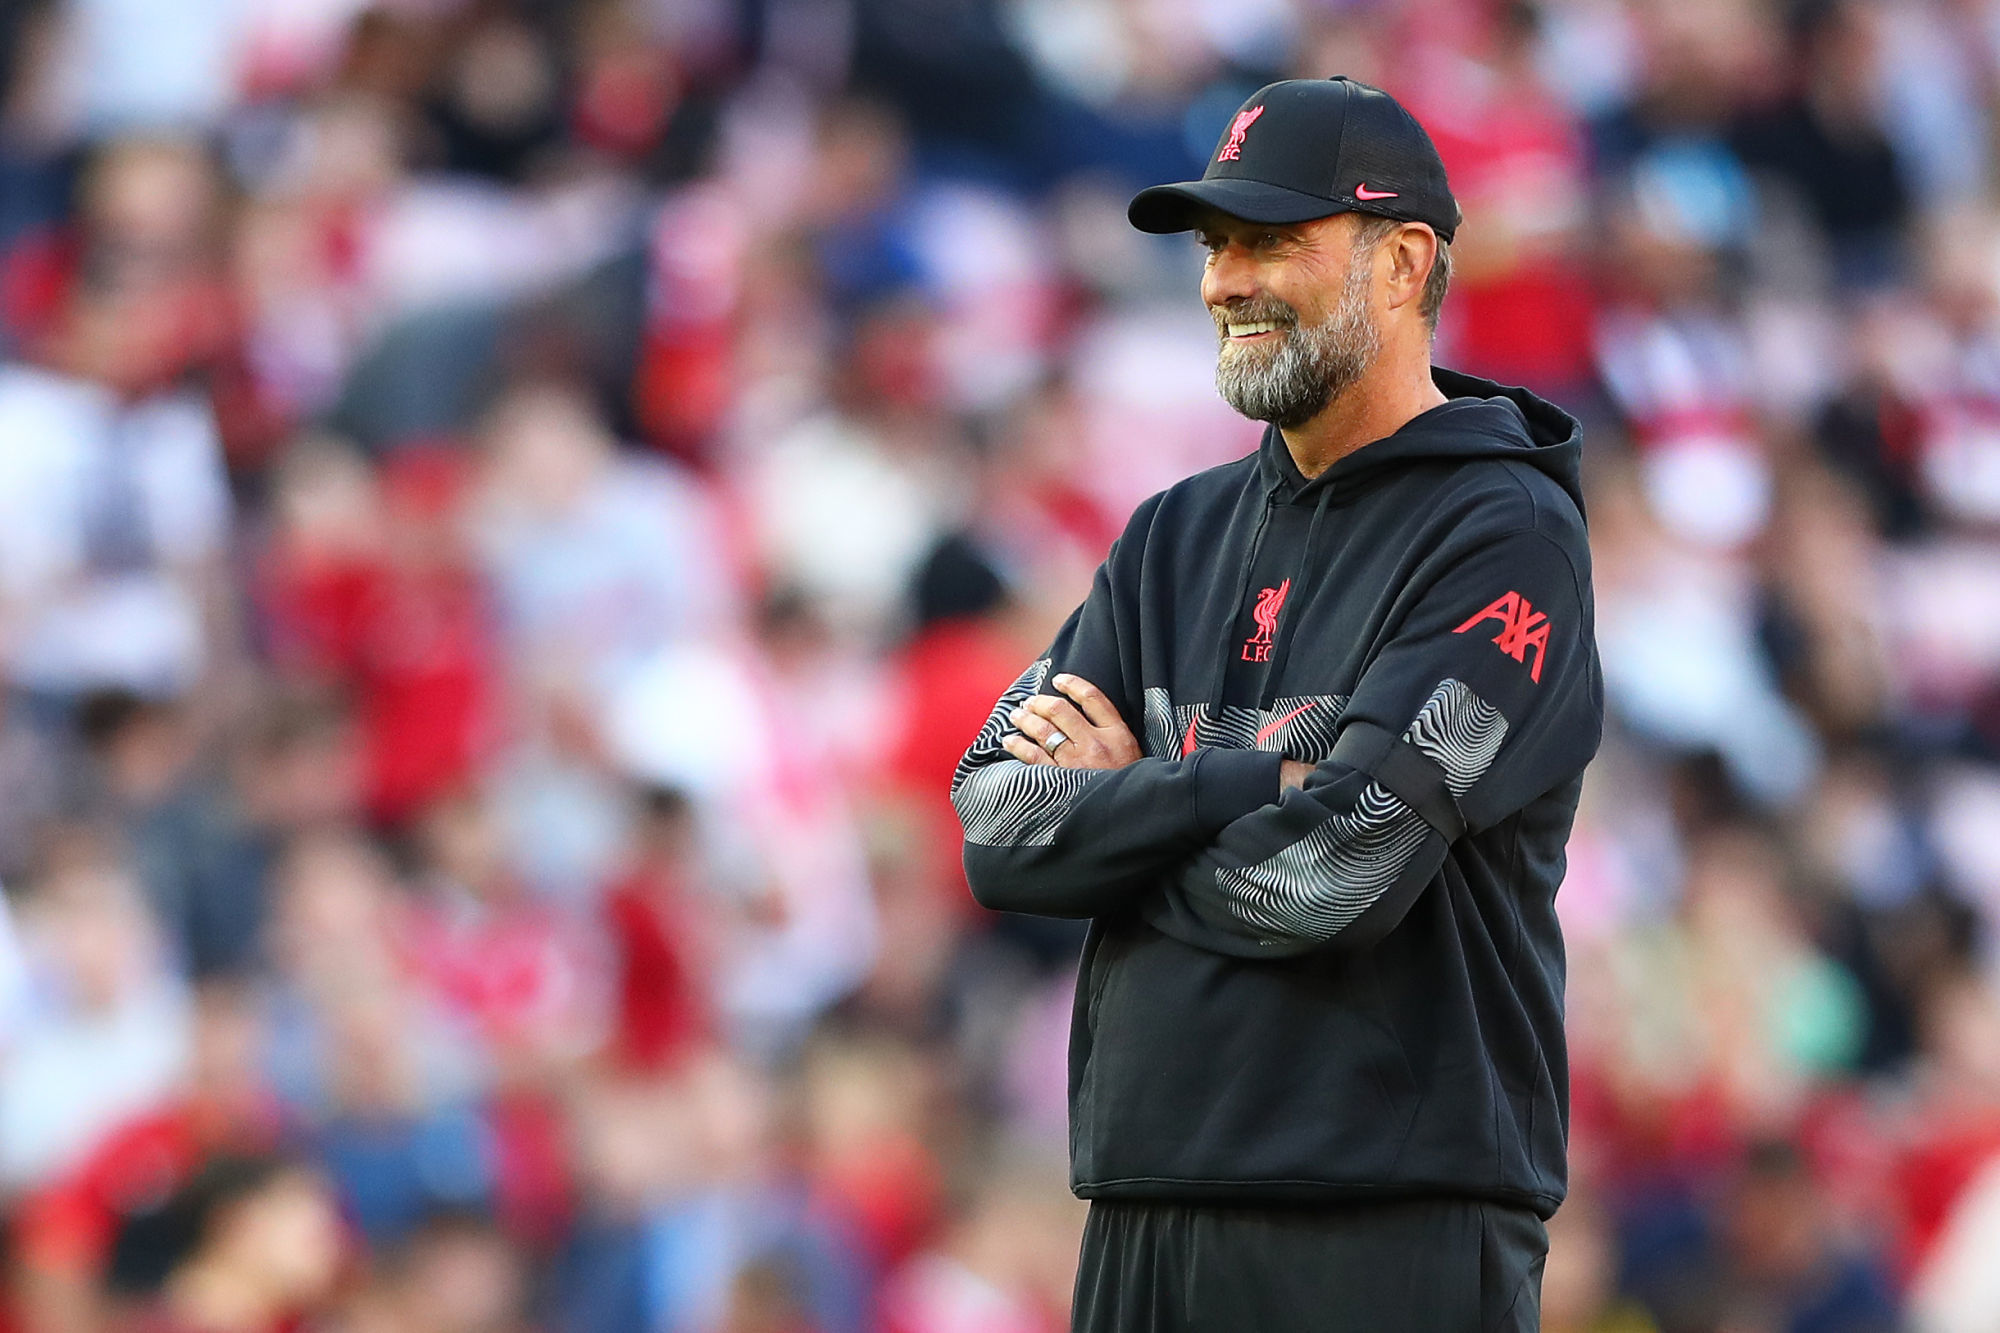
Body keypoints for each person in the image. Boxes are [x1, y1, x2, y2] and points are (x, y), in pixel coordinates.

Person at [952, 77, 1604, 1331]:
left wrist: (1124, 810)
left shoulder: (1506, 533)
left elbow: (1331, 871)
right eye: (1214, 245)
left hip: (1384, 1224)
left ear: (1403, 263)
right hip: (1142, 1210)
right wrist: (1254, 781)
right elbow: (993, 824)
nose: (1223, 282)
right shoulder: (1167, 536)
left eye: (1269, 241)